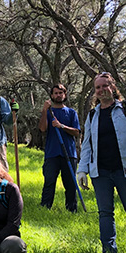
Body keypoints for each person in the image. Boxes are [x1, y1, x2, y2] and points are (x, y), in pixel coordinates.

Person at [76, 72, 126, 253]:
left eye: (105, 86)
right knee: (105, 213)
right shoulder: (93, 114)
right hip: (100, 172)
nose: (101, 90)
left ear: (113, 87)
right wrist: (82, 169)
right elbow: (87, 144)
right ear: (95, 91)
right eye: (98, 87)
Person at [38, 83, 81, 212]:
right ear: (51, 95)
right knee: (49, 182)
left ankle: (71, 209)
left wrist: (61, 126)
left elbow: (76, 132)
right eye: (55, 93)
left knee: (70, 184)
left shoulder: (71, 113)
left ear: (65, 95)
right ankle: (45, 208)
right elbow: (42, 128)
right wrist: (45, 111)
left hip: (69, 153)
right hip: (52, 153)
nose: (58, 95)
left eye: (60, 93)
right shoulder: (49, 112)